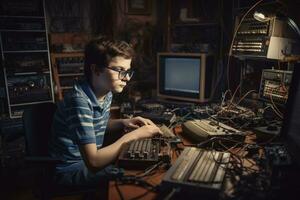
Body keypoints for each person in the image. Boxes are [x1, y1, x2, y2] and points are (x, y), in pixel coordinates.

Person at [49, 36, 162, 187]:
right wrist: (134, 135)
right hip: (69, 171)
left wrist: (123, 122)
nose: (126, 78)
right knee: (133, 174)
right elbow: (94, 162)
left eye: (128, 71)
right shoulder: (79, 102)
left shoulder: (105, 91)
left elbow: (94, 126)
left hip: (85, 163)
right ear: (96, 69)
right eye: (120, 70)